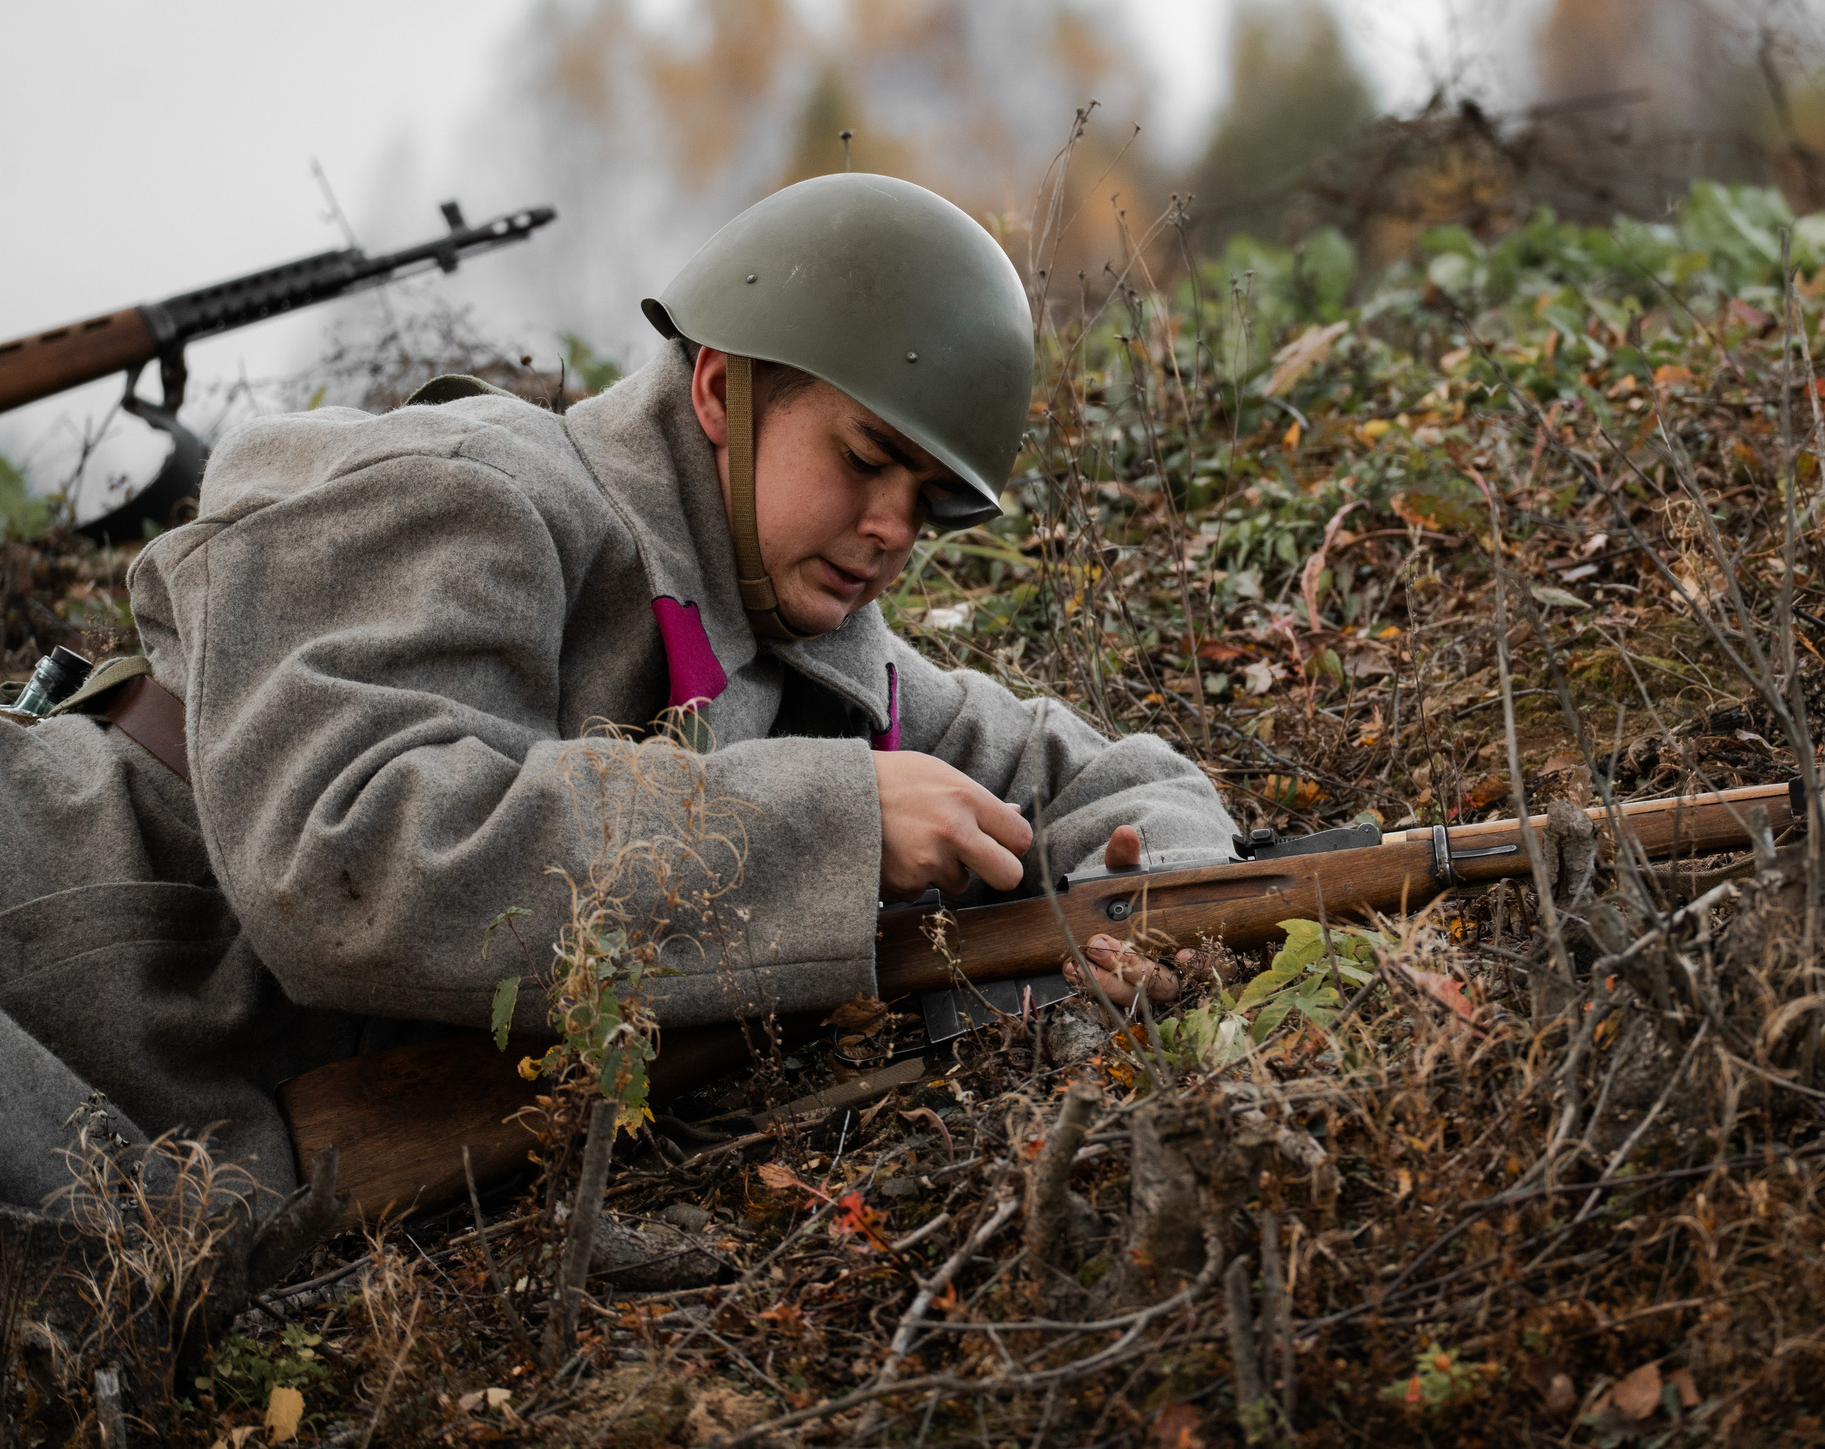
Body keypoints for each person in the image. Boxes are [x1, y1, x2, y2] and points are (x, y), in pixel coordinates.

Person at [0, 173, 1231, 1229]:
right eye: (864, 460)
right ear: (718, 390)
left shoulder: (813, 656)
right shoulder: (473, 495)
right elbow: (355, 854)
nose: (890, 531)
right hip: (62, 958)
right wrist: (835, 822)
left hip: (189, 1119)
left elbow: (1113, 778)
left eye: (932, 503)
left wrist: (1148, 902)